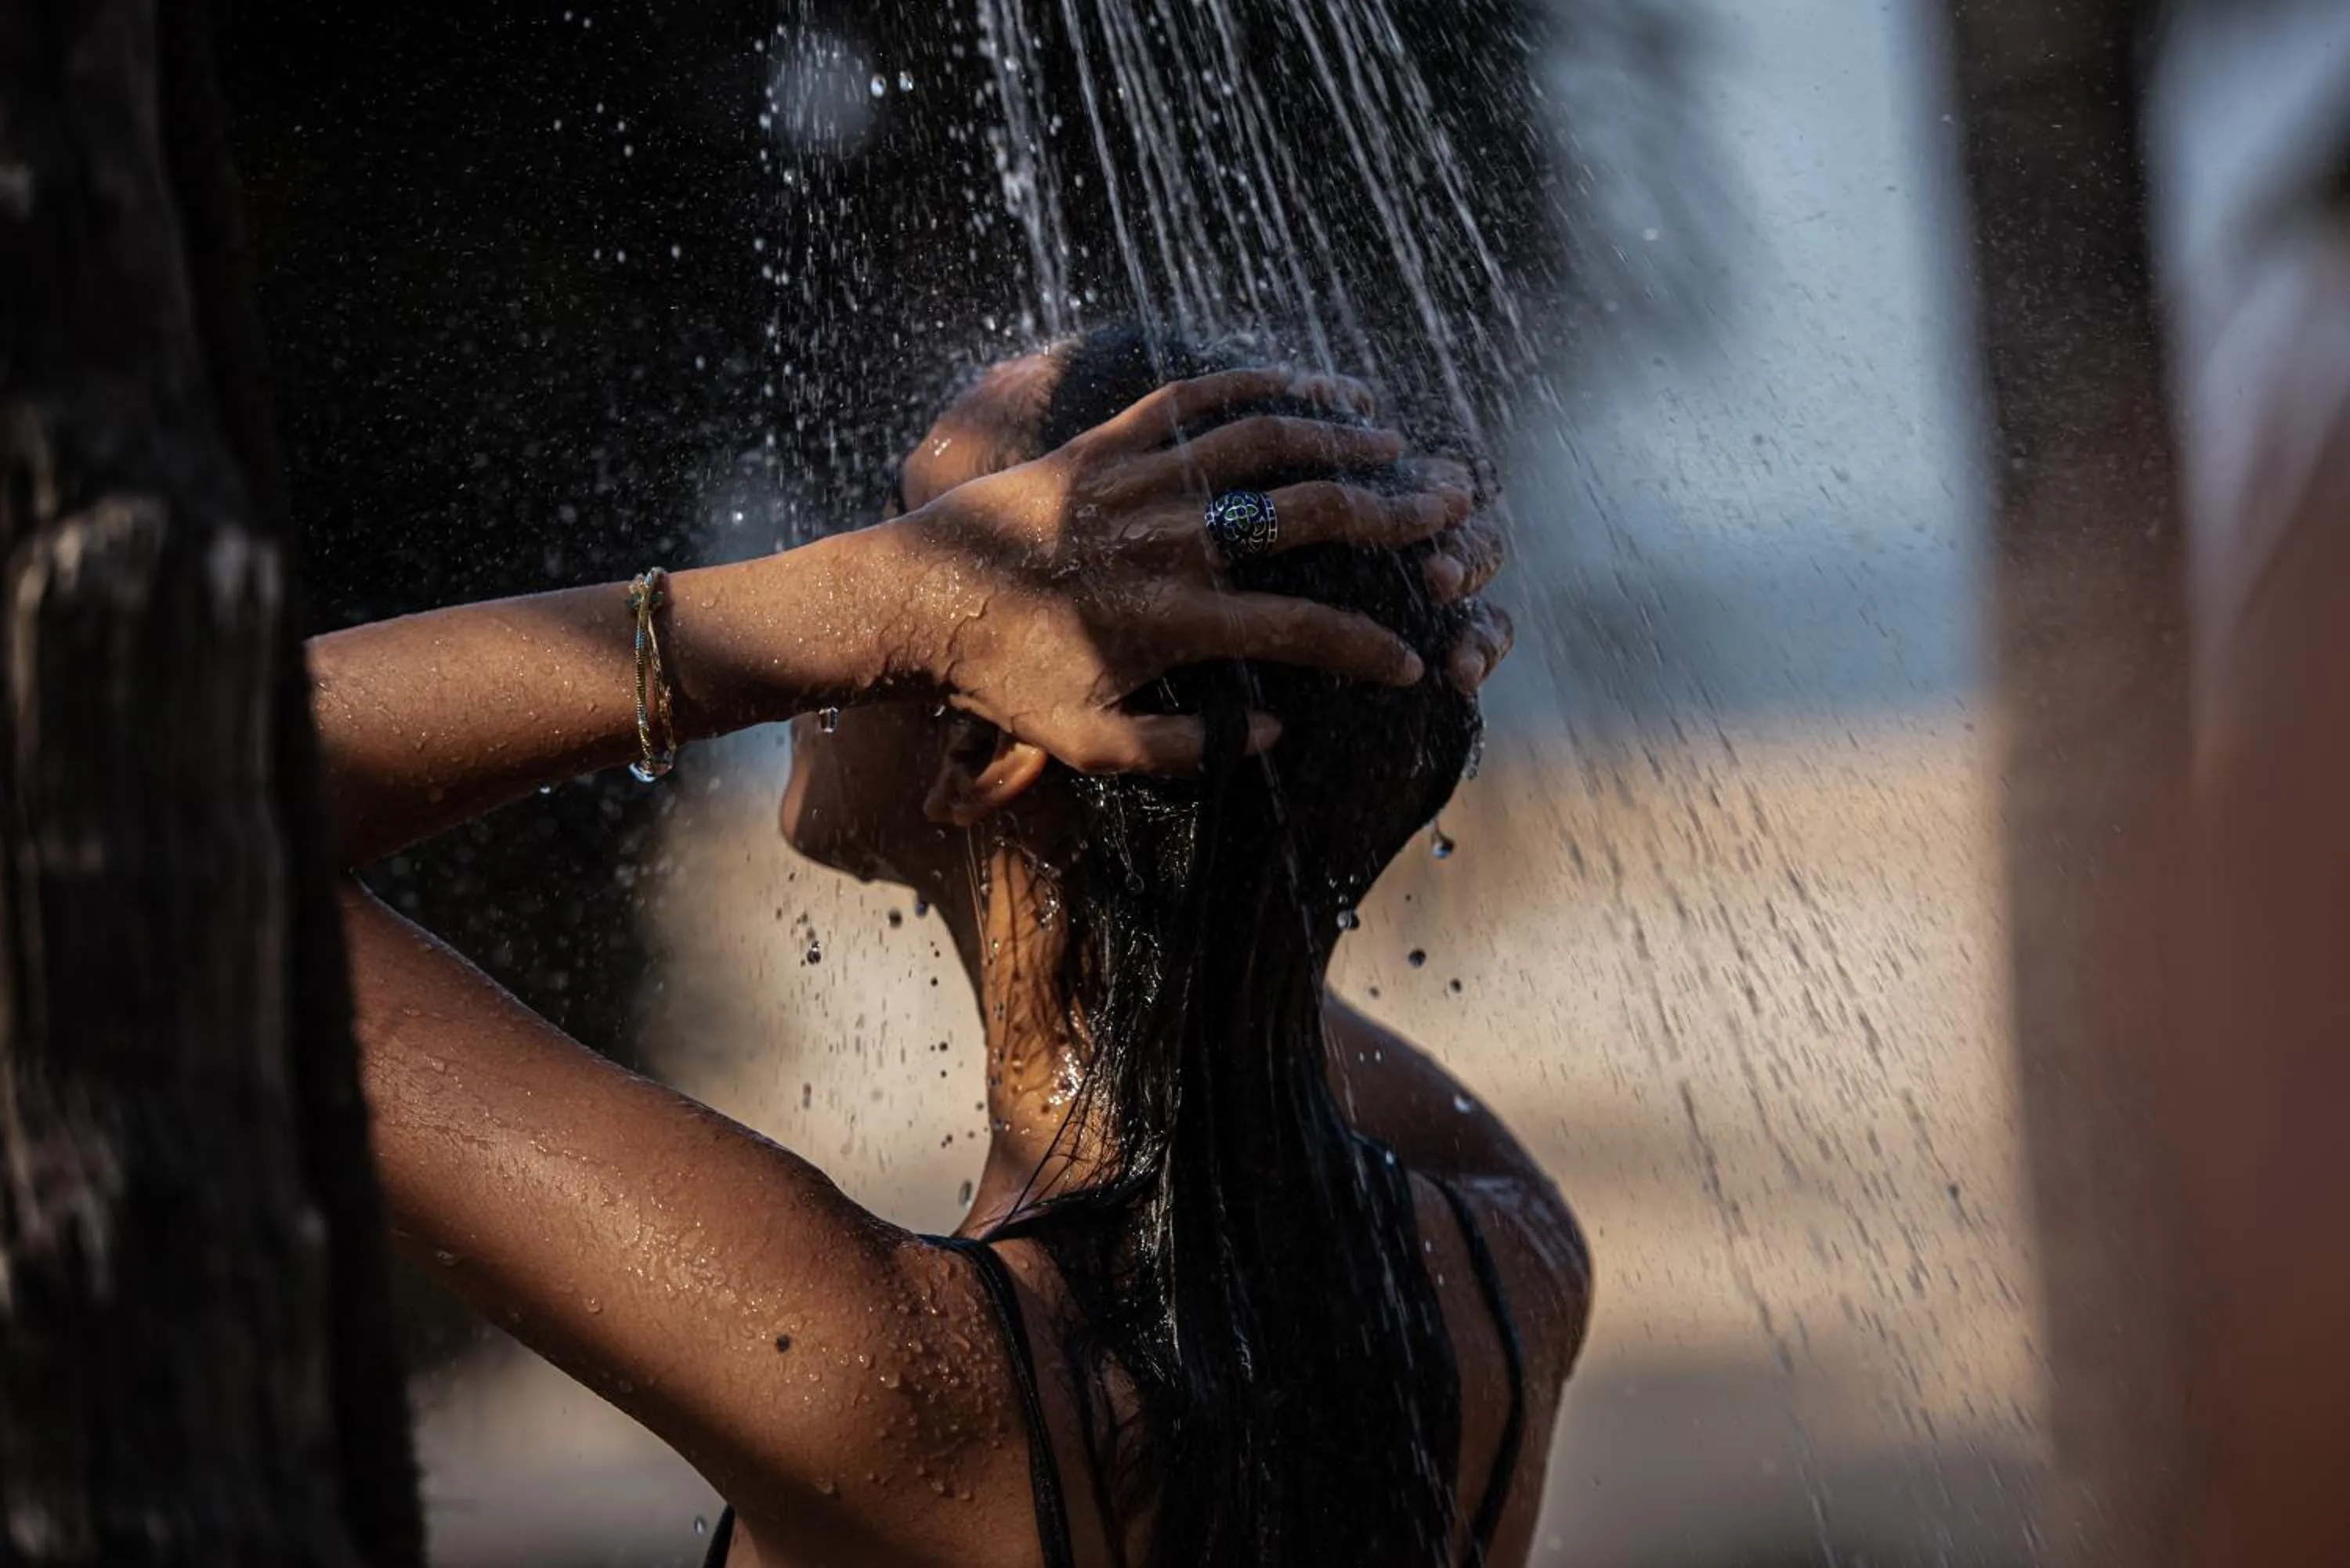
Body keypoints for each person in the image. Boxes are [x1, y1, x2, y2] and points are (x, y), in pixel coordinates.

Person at [320, 338, 1589, 1568]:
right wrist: (1339, 708)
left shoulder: (877, 1372)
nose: (846, 565)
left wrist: (880, 601)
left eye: (914, 535)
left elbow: (172, 797)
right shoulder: (1507, 1274)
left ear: (987, 750)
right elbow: (1238, 917)